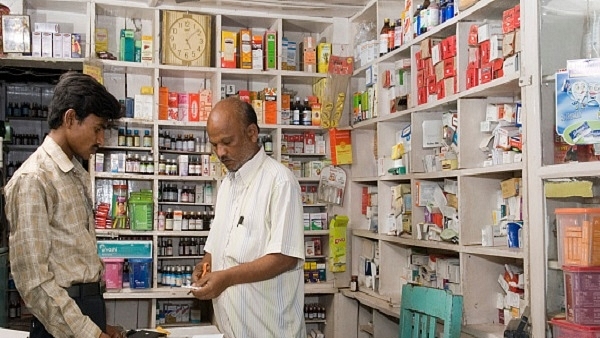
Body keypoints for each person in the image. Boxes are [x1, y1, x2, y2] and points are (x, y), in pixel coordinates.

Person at [5, 72, 124, 338]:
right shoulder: (34, 179)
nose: (101, 140)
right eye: (97, 128)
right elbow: (34, 282)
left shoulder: (74, 173)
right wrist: (88, 334)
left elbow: (73, 260)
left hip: (83, 314)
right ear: (70, 119)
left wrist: (99, 327)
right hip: (58, 328)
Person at [190, 97, 306, 338]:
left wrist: (226, 278)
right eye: (214, 145)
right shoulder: (226, 186)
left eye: (227, 142)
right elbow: (216, 247)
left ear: (252, 133)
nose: (220, 153)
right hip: (232, 330)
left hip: (270, 331)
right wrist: (203, 267)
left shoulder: (280, 182)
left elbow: (285, 257)